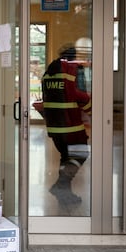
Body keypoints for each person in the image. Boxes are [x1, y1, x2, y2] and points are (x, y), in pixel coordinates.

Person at [41, 45, 91, 204]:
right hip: (72, 126)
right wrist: (91, 109)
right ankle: (61, 185)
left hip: (54, 127)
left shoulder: (48, 73)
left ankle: (65, 196)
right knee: (81, 153)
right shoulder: (74, 71)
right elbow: (80, 95)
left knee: (66, 158)